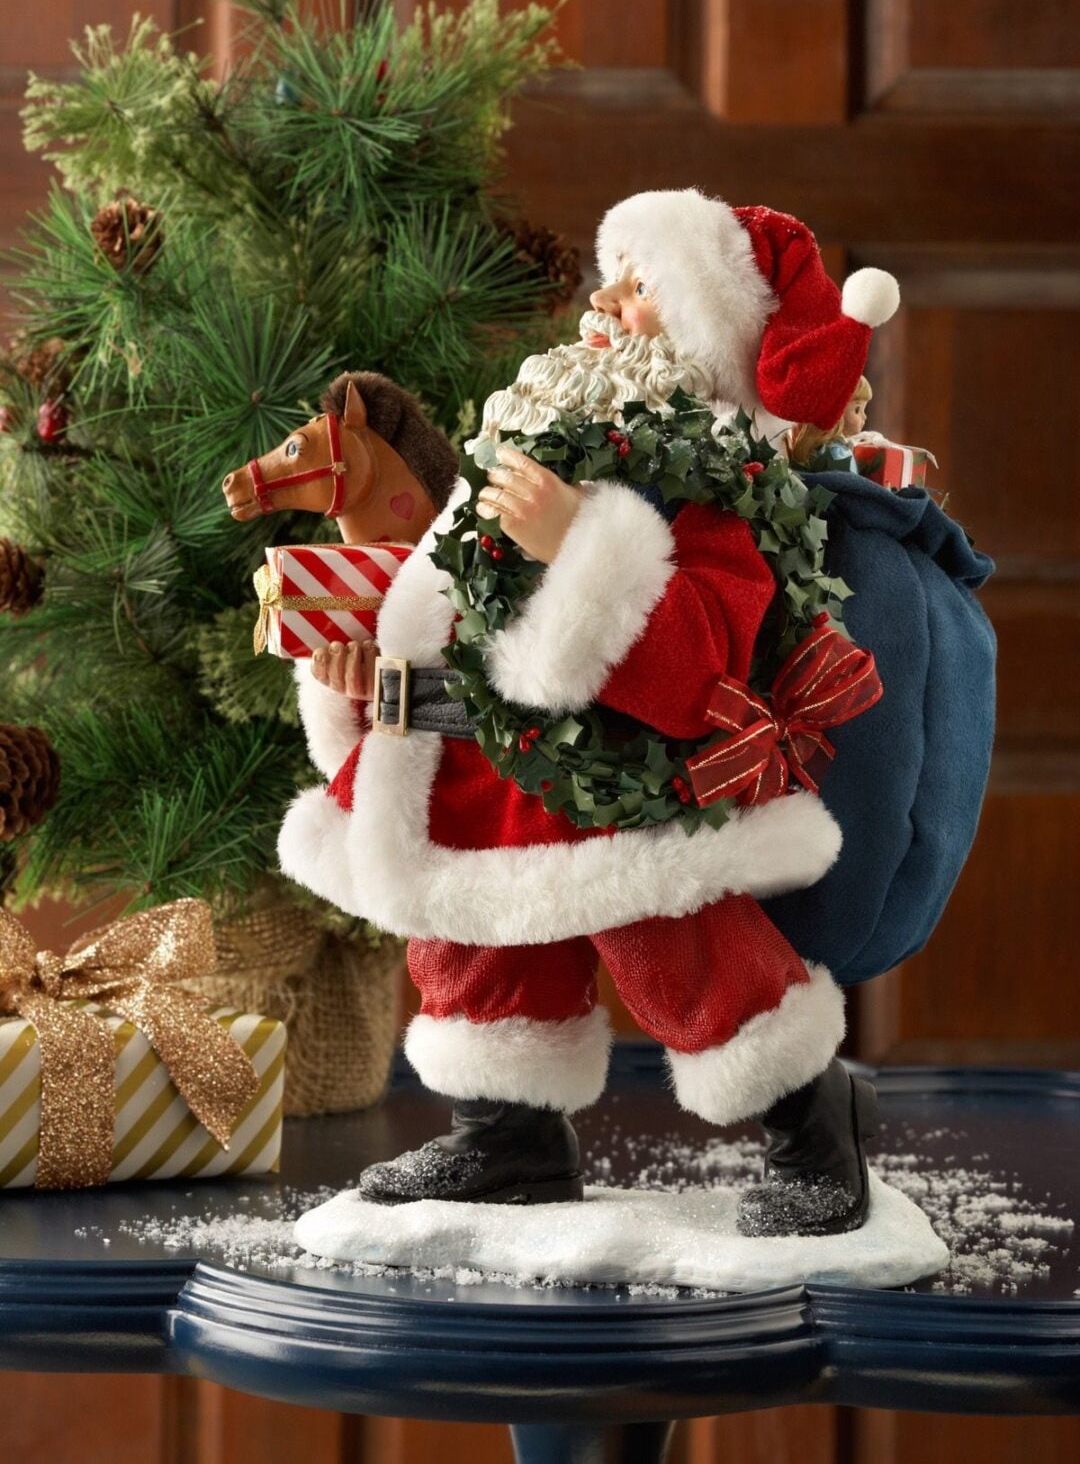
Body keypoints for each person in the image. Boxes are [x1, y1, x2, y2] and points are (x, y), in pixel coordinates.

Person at [280, 189, 899, 1237]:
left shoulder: (706, 478)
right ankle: (505, 1136)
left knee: (679, 953)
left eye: (645, 284)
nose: (606, 298)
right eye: (613, 273)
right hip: (471, 758)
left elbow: (704, 645)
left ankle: (809, 1117)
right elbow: (449, 599)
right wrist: (366, 676)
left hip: (616, 775)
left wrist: (580, 541)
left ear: (710, 331)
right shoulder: (535, 430)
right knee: (473, 944)